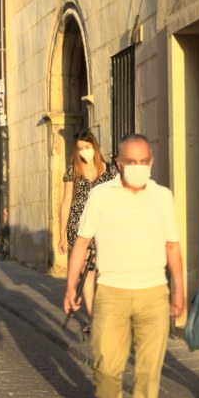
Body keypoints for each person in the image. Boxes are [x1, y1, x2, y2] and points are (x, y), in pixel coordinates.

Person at [64, 134, 185, 398]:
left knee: (148, 370)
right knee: (105, 366)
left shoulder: (163, 197)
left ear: (151, 162)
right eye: (131, 161)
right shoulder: (101, 195)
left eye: (143, 161)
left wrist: (180, 290)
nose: (138, 167)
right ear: (119, 163)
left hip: (154, 292)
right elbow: (82, 241)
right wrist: (70, 286)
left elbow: (172, 246)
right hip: (111, 292)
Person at [57, 129, 117, 333]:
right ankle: (94, 319)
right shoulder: (73, 170)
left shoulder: (110, 171)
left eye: (87, 147)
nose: (84, 152)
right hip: (80, 227)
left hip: (105, 228)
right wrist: (62, 234)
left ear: (95, 146)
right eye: (80, 149)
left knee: (106, 272)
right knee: (87, 274)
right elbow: (66, 202)